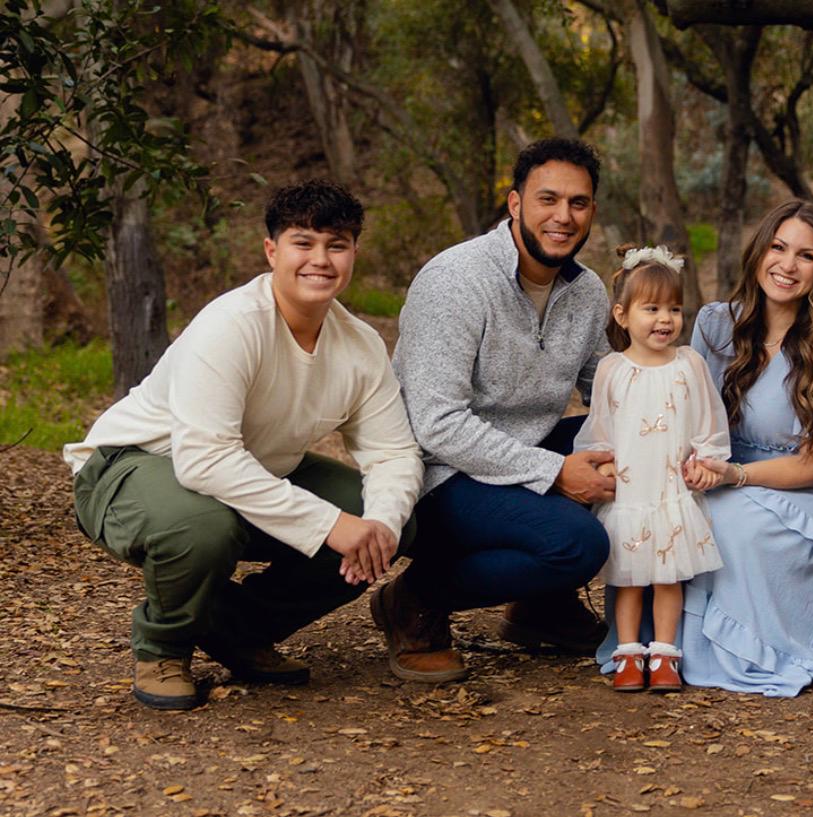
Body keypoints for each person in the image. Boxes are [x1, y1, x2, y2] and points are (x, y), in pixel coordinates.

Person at [64, 180, 425, 710]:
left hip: (249, 469)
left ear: (353, 253)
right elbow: (205, 459)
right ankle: (163, 646)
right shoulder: (231, 325)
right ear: (272, 251)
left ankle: (235, 628)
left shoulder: (361, 344)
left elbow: (393, 453)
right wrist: (328, 525)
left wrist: (382, 525)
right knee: (204, 526)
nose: (320, 260)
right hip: (131, 465)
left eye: (337, 244)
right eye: (303, 243)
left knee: (390, 524)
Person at [596, 200, 813, 696]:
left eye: (805, 255)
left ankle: (732, 649)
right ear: (759, 252)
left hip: (802, 484)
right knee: (663, 518)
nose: (787, 265)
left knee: (733, 526)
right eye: (778, 248)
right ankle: (648, 648)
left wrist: (734, 476)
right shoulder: (716, 324)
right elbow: (683, 414)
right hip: (713, 471)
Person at [376, 137, 614, 683]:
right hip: (440, 474)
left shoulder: (587, 290)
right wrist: (555, 473)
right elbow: (435, 425)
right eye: (547, 200)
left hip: (521, 451)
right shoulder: (456, 280)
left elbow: (607, 387)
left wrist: (670, 413)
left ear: (592, 212)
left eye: (578, 203)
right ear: (514, 204)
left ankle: (540, 607)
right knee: (578, 545)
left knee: (626, 450)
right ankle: (414, 599)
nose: (563, 216)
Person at [574, 246, 730, 693]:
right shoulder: (611, 369)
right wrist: (600, 461)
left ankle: (664, 654)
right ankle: (627, 654)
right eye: (652, 309)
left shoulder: (690, 365)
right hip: (630, 493)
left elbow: (708, 421)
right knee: (627, 581)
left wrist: (705, 460)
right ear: (622, 315)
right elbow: (599, 427)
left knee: (667, 577)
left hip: (671, 491)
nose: (665, 319)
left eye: (674, 308)